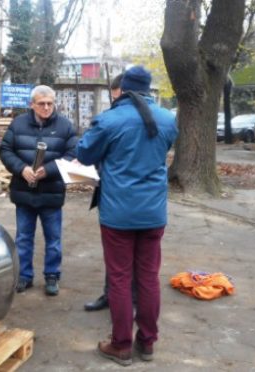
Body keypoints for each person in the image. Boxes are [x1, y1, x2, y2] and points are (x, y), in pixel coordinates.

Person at [76, 65, 178, 366]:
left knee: (120, 278)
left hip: (118, 213)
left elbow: (84, 154)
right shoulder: (168, 119)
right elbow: (160, 149)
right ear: (148, 89)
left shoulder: (110, 120)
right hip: (153, 212)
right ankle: (147, 343)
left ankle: (121, 345)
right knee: (148, 277)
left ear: (123, 89)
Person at [0, 85, 77, 296]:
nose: (46, 107)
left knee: (53, 239)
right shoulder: (18, 124)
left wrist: (49, 170)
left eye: (50, 103)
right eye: (41, 103)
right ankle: (24, 276)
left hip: (52, 191)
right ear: (31, 104)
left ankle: (52, 276)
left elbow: (72, 154)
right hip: (24, 191)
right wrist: (21, 168)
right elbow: (5, 150)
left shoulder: (65, 126)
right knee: (23, 237)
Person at [84, 73, 122, 312]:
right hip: (145, 204)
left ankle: (124, 303)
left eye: (115, 95)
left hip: (120, 202)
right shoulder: (162, 120)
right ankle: (112, 296)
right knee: (119, 259)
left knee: (122, 260)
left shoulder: (111, 120)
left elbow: (85, 151)